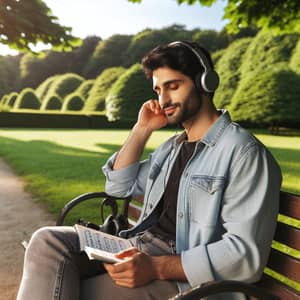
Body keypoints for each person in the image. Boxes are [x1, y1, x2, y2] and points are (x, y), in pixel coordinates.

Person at [17, 41, 282, 300]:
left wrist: (156, 267)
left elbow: (245, 256)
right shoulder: (173, 147)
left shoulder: (244, 153)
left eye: (173, 86)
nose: (163, 99)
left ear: (205, 82)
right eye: (157, 90)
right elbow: (118, 187)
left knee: (69, 290)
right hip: (139, 247)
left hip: (187, 279)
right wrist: (141, 130)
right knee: (46, 242)